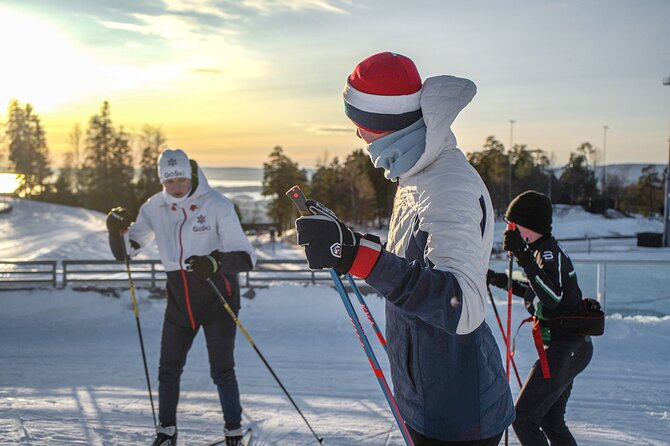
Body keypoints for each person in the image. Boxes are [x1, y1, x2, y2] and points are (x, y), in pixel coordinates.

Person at [294, 51, 514, 445]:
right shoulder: (415, 175)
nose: (357, 135)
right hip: (426, 395)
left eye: (359, 124)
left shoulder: (447, 185)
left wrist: (357, 257)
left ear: (382, 124)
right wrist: (348, 243)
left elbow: (459, 304)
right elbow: (409, 266)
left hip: (458, 411)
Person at [106, 148, 256, 446]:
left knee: (222, 370)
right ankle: (167, 431)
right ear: (162, 181)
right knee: (168, 369)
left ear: (190, 175)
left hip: (218, 296)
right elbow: (127, 252)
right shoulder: (154, 207)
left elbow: (246, 258)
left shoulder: (216, 205)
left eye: (181, 179)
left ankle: (233, 432)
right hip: (179, 299)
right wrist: (114, 231)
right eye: (169, 181)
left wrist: (214, 262)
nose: (176, 187)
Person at [487, 190, 593, 446]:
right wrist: (499, 279)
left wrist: (522, 256)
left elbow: (553, 297)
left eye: (513, 224)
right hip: (568, 348)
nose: (509, 229)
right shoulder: (540, 252)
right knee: (550, 421)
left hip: (566, 348)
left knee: (522, 418)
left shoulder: (547, 253)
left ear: (529, 226)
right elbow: (535, 293)